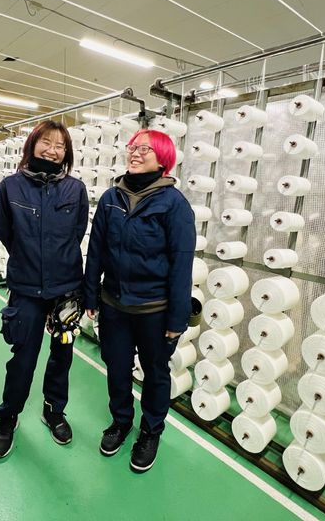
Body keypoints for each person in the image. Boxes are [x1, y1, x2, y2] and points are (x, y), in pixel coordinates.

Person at [83, 128, 196, 473]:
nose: (135, 152)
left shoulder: (174, 204)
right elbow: (96, 250)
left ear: (163, 159)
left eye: (145, 149)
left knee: (156, 374)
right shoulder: (110, 198)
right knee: (117, 369)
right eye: (132, 147)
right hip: (114, 305)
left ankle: (150, 431)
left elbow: (181, 264)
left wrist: (177, 319)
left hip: (154, 311)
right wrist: (91, 294)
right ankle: (121, 422)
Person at [0, 120, 89, 459]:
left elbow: (76, 233)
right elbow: (6, 233)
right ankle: (9, 416)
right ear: (32, 144)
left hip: (66, 289)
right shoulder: (10, 187)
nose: (52, 150)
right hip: (27, 288)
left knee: (62, 354)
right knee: (23, 357)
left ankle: (54, 410)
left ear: (67, 153)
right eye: (46, 142)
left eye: (60, 146)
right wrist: (30, 260)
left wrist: (57, 264)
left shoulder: (75, 190)